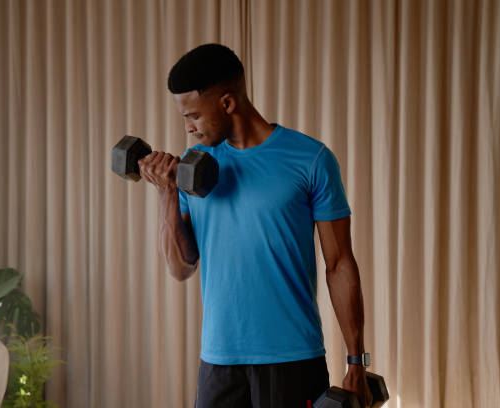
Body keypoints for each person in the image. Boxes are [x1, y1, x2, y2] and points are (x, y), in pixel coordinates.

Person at [137, 43, 373, 408]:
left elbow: (339, 263)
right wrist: (167, 192)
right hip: (218, 362)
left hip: (292, 360)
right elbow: (180, 267)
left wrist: (356, 359)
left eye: (194, 116)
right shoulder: (191, 167)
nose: (187, 128)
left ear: (228, 103)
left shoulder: (310, 160)